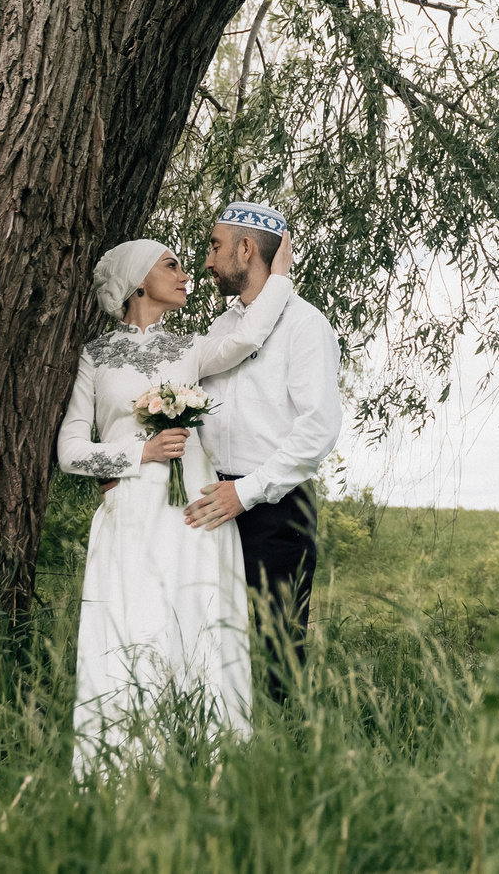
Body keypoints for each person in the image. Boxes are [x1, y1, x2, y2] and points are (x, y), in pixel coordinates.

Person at [55, 237, 288, 767]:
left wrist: (280, 272)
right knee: (133, 630)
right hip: (131, 515)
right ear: (139, 281)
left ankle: (212, 768)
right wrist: (140, 453)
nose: (186, 274)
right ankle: (122, 771)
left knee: (200, 629)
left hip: (195, 516)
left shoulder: (191, 348)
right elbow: (70, 452)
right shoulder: (96, 357)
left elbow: (252, 334)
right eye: (172, 265)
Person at [159, 202, 342, 703]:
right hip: (211, 504)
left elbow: (318, 429)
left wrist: (248, 492)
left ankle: (283, 765)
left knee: (277, 657)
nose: (206, 262)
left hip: (276, 511)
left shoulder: (306, 326)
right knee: (210, 647)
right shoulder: (222, 331)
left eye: (216, 246)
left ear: (246, 248)